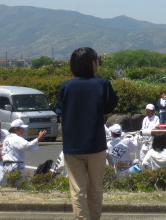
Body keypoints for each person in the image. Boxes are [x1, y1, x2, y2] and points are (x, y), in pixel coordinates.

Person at [56, 47, 119, 220]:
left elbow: (60, 111)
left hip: (72, 145)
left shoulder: (66, 86)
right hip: (95, 144)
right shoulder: (102, 84)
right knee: (96, 188)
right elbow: (108, 111)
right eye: (96, 60)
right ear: (92, 62)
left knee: (77, 189)